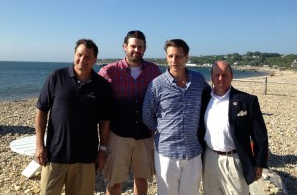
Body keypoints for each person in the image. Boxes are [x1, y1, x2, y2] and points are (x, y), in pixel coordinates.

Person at [35, 39, 113, 195]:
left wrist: (102, 150)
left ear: (95, 60)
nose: (82, 60)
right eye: (79, 55)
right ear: (74, 55)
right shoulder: (56, 77)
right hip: (54, 154)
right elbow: (41, 111)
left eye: (88, 57)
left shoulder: (102, 86)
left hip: (85, 157)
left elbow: (105, 121)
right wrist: (39, 145)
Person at [142, 39, 210, 195]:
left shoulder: (199, 80)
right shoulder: (156, 85)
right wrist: (163, 130)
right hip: (166, 153)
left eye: (178, 56)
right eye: (170, 56)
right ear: (166, 57)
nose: (174, 61)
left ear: (186, 57)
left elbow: (211, 101)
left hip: (193, 151)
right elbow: (147, 115)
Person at [98, 30, 162, 195]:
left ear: (145, 49)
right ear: (124, 47)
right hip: (118, 136)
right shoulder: (108, 71)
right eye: (133, 46)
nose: (136, 50)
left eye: (140, 47)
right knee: (114, 180)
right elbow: (95, 99)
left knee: (142, 179)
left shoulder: (154, 71)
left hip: (145, 135)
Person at [199, 60, 269, 195]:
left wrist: (259, 163)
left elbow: (260, 136)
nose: (221, 78)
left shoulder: (247, 100)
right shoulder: (203, 99)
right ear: (212, 76)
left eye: (225, 75)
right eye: (217, 75)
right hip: (209, 158)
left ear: (231, 76)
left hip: (235, 160)